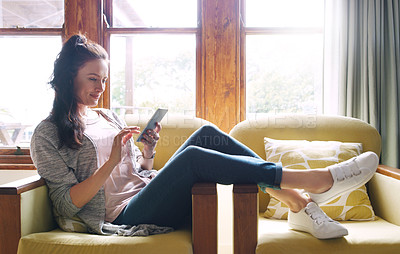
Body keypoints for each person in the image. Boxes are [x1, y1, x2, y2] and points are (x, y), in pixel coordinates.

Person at [30, 34, 379, 240]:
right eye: (93, 79)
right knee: (194, 159)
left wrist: (147, 152)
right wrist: (108, 164)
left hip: (144, 192)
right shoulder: (47, 134)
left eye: (104, 80)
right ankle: (312, 182)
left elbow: (135, 171)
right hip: (119, 217)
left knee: (208, 134)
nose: (100, 88)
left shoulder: (106, 115)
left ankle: (296, 202)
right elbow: (65, 203)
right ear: (68, 76)